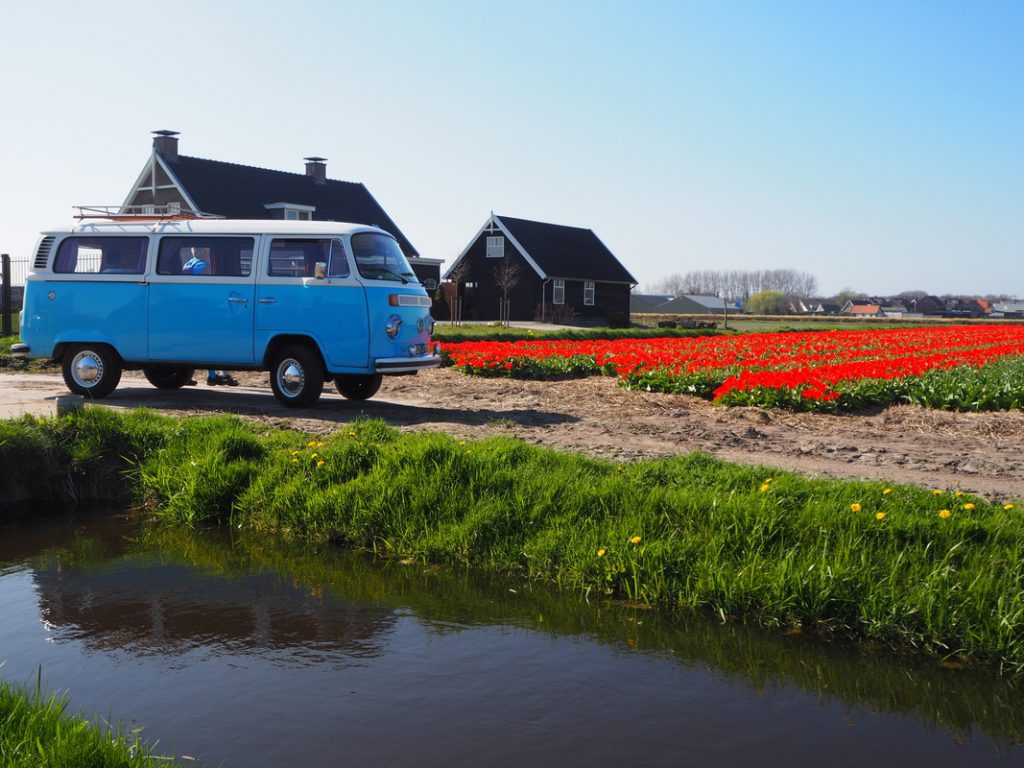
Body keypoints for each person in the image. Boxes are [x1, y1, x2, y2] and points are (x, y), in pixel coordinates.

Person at [181, 254, 238, 386]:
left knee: (196, 344)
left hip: (193, 307)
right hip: (208, 307)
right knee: (218, 341)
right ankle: (219, 375)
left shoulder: (187, 264)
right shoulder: (204, 266)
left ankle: (190, 375)